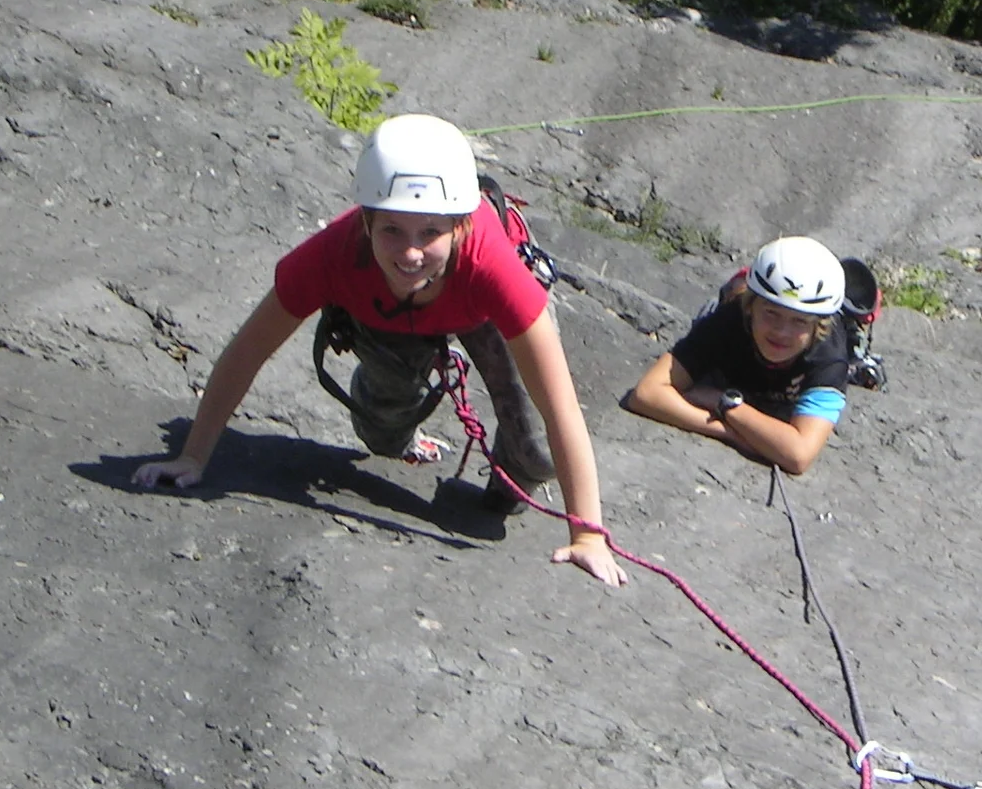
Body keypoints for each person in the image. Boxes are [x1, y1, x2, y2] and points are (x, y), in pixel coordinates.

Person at [132, 114, 626, 586]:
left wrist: (587, 534)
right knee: (383, 436)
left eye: (430, 232)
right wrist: (193, 457)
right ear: (365, 223)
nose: (411, 252)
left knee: (536, 453)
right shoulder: (332, 255)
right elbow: (247, 352)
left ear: (459, 227)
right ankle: (394, 387)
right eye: (392, 230)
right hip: (385, 313)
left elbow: (560, 406)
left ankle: (509, 473)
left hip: (478, 310)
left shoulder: (493, 267)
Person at [622, 236, 851, 476]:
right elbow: (646, 393)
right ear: (750, 306)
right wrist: (727, 431)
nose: (782, 332)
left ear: (818, 326)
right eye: (771, 313)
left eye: (799, 321)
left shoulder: (828, 356)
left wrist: (724, 403)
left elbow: (798, 455)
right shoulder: (728, 321)